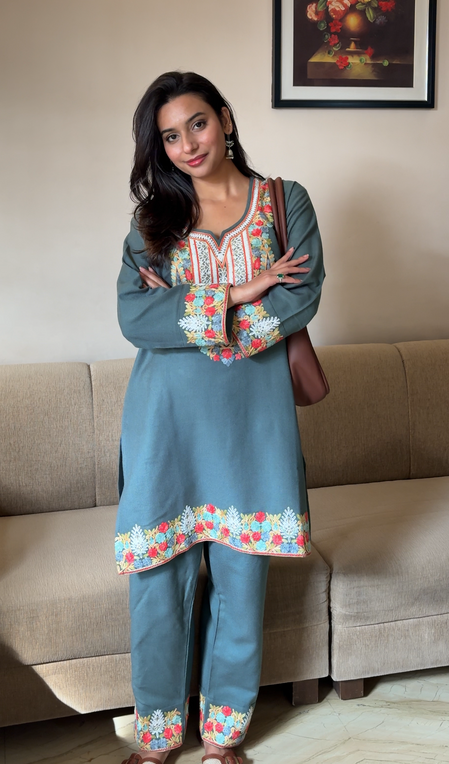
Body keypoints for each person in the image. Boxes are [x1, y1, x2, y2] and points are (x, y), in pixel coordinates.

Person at [116, 71, 325, 764]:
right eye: (170, 136)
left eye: (197, 123)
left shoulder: (283, 202)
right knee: (156, 586)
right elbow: (135, 316)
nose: (188, 145)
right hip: (166, 426)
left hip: (250, 425)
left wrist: (193, 314)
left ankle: (223, 739)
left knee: (241, 582)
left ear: (225, 118)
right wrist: (237, 291)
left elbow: (300, 293)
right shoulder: (153, 222)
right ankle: (156, 738)